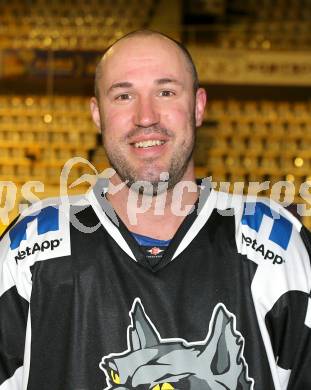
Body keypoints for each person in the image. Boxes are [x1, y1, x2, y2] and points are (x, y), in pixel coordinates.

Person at [0, 30, 311, 390]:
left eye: (165, 92)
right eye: (123, 95)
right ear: (97, 113)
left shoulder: (276, 244)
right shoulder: (31, 247)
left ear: (198, 106)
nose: (145, 116)